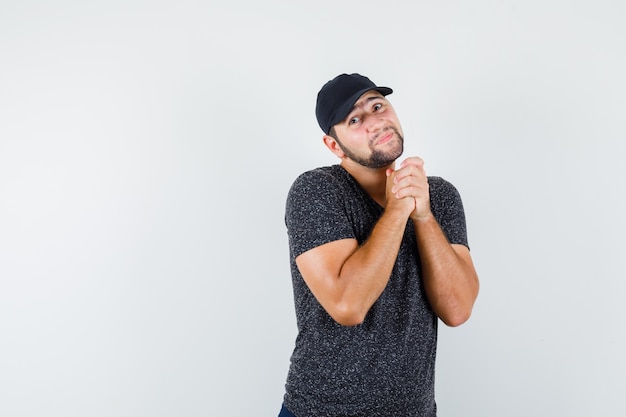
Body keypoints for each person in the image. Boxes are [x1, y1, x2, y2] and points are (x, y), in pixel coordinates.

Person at [279, 73, 479, 417]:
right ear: (334, 146)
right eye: (355, 119)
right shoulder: (317, 191)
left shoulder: (438, 195)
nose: (375, 122)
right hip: (321, 411)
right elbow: (348, 305)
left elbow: (457, 310)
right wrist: (398, 210)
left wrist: (424, 217)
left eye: (378, 106)